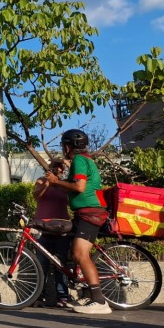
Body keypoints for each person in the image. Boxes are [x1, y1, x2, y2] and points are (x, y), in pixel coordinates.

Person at [45, 129, 112, 314]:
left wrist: (55, 181)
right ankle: (87, 294)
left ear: (67, 147)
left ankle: (99, 301)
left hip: (90, 213)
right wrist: (58, 180)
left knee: (80, 253)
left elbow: (79, 187)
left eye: (63, 146)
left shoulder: (80, 160)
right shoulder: (84, 160)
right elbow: (72, 187)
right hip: (85, 213)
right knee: (72, 250)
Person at [32, 159, 72, 308]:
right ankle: (38, 297)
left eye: (60, 167)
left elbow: (72, 196)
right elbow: (36, 196)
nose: (57, 169)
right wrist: (48, 183)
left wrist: (57, 181)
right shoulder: (41, 181)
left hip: (61, 226)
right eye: (54, 166)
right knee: (41, 263)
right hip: (43, 226)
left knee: (60, 263)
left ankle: (63, 296)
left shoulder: (64, 184)